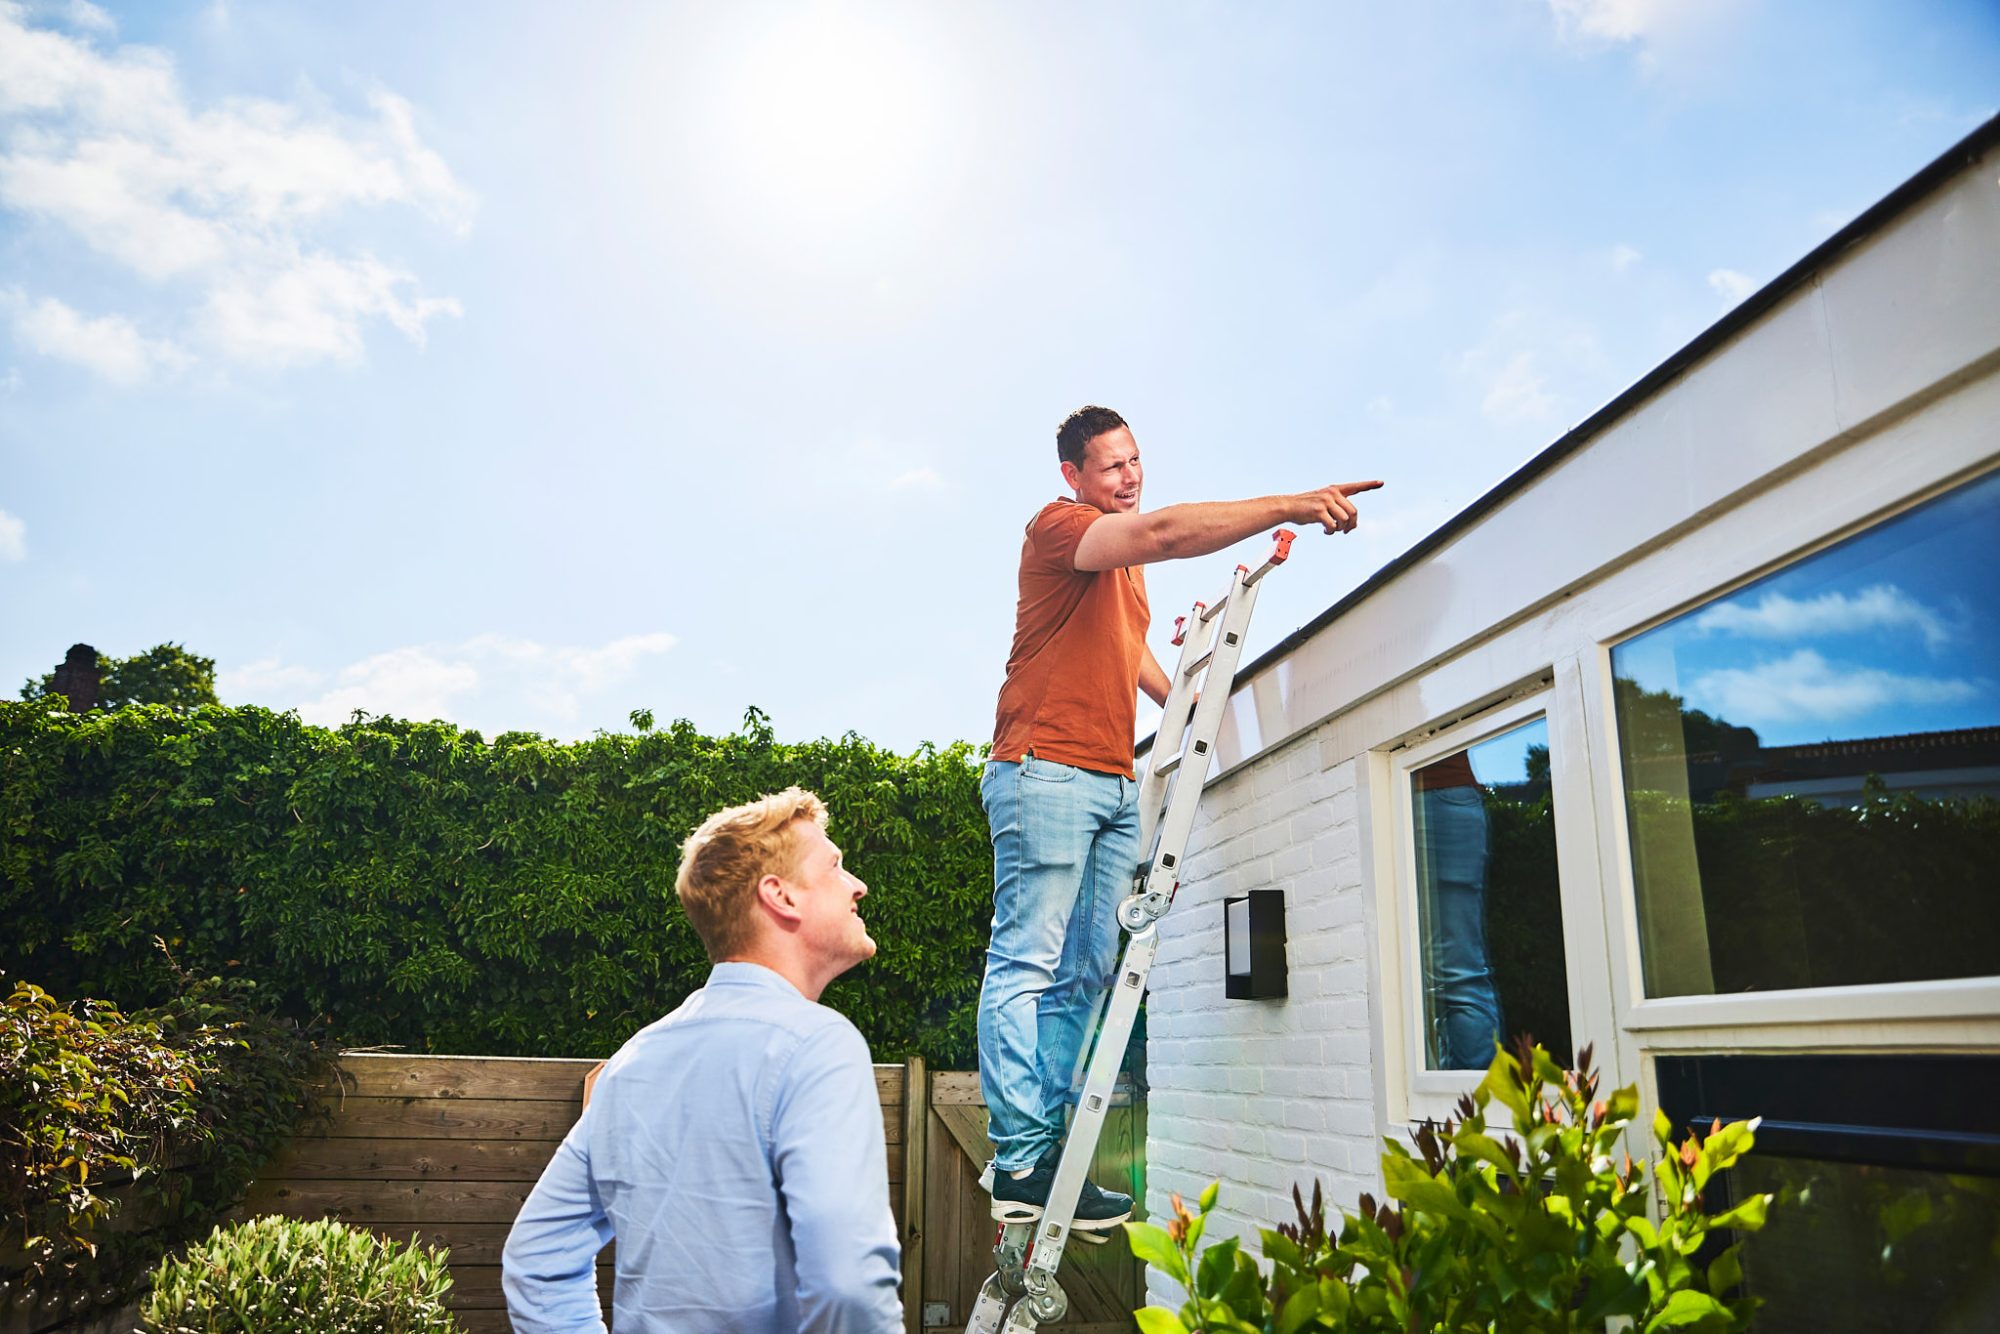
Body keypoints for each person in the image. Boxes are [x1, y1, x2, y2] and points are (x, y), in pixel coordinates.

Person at [978, 404, 1381, 1228]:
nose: (1129, 477)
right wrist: (1292, 504)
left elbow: (1126, 650)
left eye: (1135, 460)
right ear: (1073, 476)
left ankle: (1044, 1155)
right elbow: (1163, 533)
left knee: (1085, 974)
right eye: (1111, 466)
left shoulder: (1120, 573)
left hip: (1111, 779)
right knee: (1026, 962)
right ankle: (1018, 1156)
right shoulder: (1060, 528)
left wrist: (1181, 701)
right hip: (1044, 769)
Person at [503, 788, 903, 1334]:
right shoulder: (818, 1045)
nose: (858, 885)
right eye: (834, 866)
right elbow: (847, 1286)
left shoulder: (629, 1064)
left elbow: (536, 1260)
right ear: (781, 896)